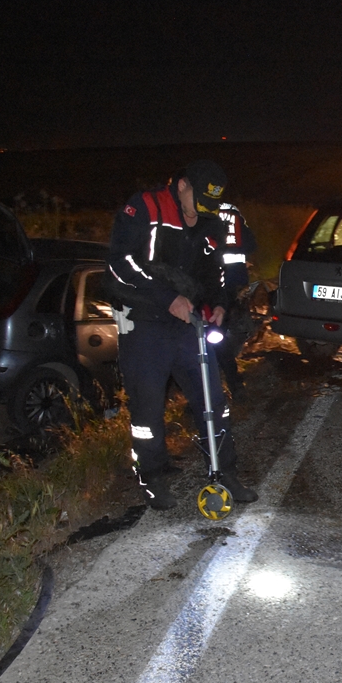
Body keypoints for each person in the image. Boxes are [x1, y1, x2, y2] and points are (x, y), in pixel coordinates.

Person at [107, 160, 257, 510]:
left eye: (208, 208)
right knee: (148, 410)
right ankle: (151, 477)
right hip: (144, 323)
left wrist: (220, 304)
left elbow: (214, 271)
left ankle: (224, 472)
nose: (199, 215)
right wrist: (166, 297)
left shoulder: (208, 221)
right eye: (198, 204)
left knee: (213, 403)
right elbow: (119, 263)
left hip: (189, 325)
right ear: (183, 185)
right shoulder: (145, 207)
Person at [213, 202, 258, 400]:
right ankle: (234, 383)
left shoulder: (202, 210)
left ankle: (229, 382)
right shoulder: (232, 211)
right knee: (225, 331)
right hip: (235, 280)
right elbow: (250, 244)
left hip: (213, 282)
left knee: (216, 334)